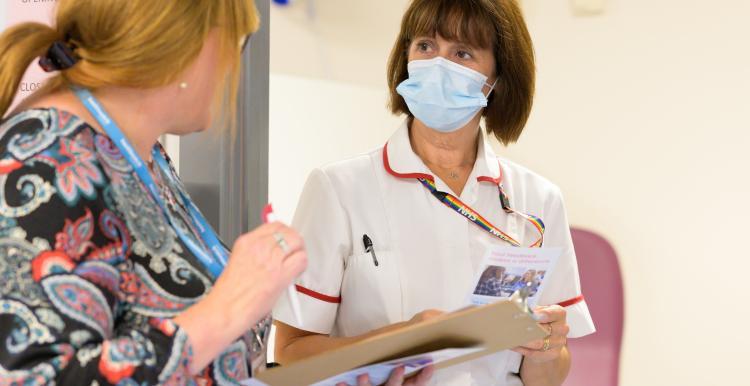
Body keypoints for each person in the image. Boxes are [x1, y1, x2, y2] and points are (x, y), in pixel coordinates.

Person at [273, 0, 595, 385]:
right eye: (425, 46)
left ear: (497, 79)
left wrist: (545, 347)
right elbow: (291, 355)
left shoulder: (536, 200)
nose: (438, 65)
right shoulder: (339, 188)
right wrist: (401, 340)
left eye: (462, 53)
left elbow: (547, 373)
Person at [0, 1, 308, 384]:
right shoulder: (50, 161)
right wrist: (229, 306)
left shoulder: (143, 157)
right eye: (236, 44)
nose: (234, 66)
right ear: (185, 47)